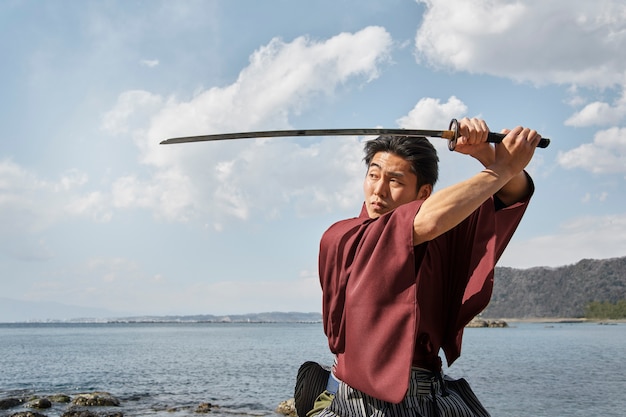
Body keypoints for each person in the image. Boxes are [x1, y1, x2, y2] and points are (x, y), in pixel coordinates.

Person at [305, 117, 542, 417]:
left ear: (423, 193)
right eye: (373, 175)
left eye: (395, 181)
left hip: (433, 394)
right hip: (365, 403)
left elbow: (510, 196)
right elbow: (421, 223)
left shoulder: (441, 228)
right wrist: (501, 167)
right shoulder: (343, 236)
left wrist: (486, 154)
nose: (378, 190)